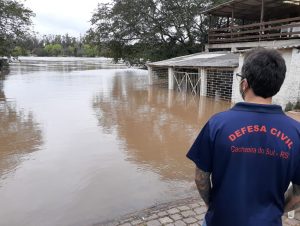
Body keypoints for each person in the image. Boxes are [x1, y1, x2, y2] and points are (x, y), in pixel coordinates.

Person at [186, 48, 300, 226]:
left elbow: (201, 178)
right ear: (276, 86)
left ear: (245, 84)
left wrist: (212, 205)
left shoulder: (217, 124)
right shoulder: (296, 132)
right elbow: (299, 193)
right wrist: (277, 210)